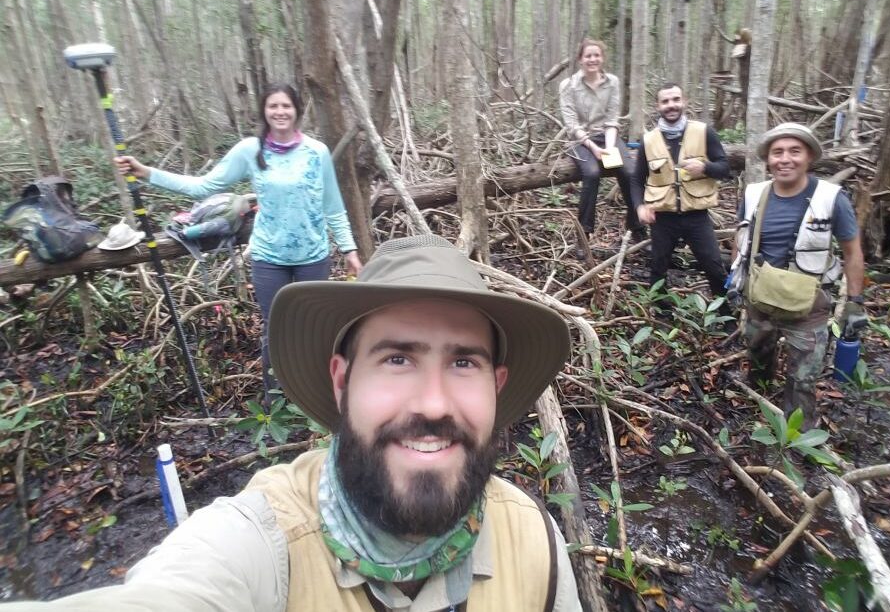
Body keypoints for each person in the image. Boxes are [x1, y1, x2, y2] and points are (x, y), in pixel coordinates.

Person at [5, 234, 581, 611]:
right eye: (397, 359)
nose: (433, 404)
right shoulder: (259, 548)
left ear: (496, 387)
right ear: (341, 379)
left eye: (463, 362)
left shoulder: (534, 541)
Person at [114, 83, 363, 401]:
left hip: (312, 256)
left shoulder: (317, 152)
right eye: (273, 106)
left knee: (314, 331)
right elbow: (202, 187)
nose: (280, 112)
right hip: (268, 258)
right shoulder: (250, 150)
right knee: (276, 333)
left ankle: (317, 401)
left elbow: (333, 206)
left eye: (286, 106)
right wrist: (146, 172)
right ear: (264, 111)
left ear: (298, 110)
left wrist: (349, 249)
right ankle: (276, 405)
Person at [729, 123, 866, 425]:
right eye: (777, 153)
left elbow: (852, 251)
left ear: (809, 158)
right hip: (760, 297)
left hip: (809, 305)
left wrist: (855, 302)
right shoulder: (754, 194)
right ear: (768, 160)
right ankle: (757, 411)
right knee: (758, 358)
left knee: (803, 380)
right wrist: (736, 276)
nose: (785, 159)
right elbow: (741, 237)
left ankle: (798, 436)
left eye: (794, 151)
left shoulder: (832, 198)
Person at [635, 83, 730, 302]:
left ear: (684, 102)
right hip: (663, 215)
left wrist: (705, 167)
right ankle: (660, 313)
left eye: (676, 100)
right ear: (658, 106)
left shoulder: (703, 131)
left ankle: (724, 313)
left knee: (713, 265)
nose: (671, 105)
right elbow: (637, 179)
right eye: (666, 101)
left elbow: (724, 168)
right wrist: (640, 205)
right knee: (658, 267)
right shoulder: (648, 140)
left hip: (696, 215)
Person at [559, 38, 644, 258]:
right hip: (579, 139)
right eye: (588, 55)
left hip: (607, 135)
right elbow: (571, 124)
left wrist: (608, 147)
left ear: (602, 58)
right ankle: (583, 236)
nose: (592, 59)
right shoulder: (568, 85)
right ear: (580, 59)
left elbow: (612, 118)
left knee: (629, 171)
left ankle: (637, 228)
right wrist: (593, 149)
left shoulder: (612, 82)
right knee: (592, 173)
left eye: (596, 55)